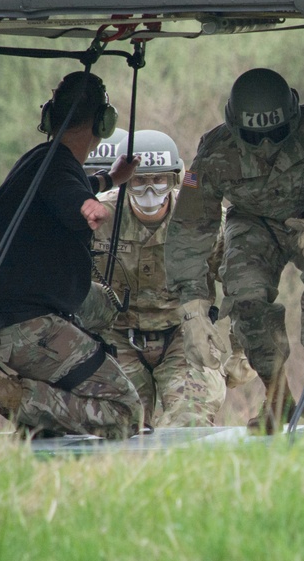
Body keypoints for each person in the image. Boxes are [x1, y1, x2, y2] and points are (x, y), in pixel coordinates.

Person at [165, 68, 304, 433]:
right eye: (253, 138)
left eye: (276, 135)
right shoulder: (214, 154)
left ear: (292, 120)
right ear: (235, 129)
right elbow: (189, 227)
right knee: (245, 294)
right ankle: (277, 399)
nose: (265, 147)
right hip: (252, 222)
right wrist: (192, 305)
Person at [0, 70, 143, 438]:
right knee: (125, 412)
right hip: (28, 326)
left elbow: (70, 187)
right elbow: (72, 199)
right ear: (102, 123)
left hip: (2, 322)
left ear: (50, 118)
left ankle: (36, 423)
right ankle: (3, 397)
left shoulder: (40, 161)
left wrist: (109, 180)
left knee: (100, 307)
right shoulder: (59, 170)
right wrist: (90, 209)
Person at [85, 128, 255, 428]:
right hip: (116, 339)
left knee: (189, 420)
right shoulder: (98, 216)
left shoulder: (203, 219)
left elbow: (242, 287)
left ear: (175, 179)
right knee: (115, 425)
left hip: (185, 337)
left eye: (158, 180)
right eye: (138, 180)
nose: (149, 191)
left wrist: (242, 352)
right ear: (125, 179)